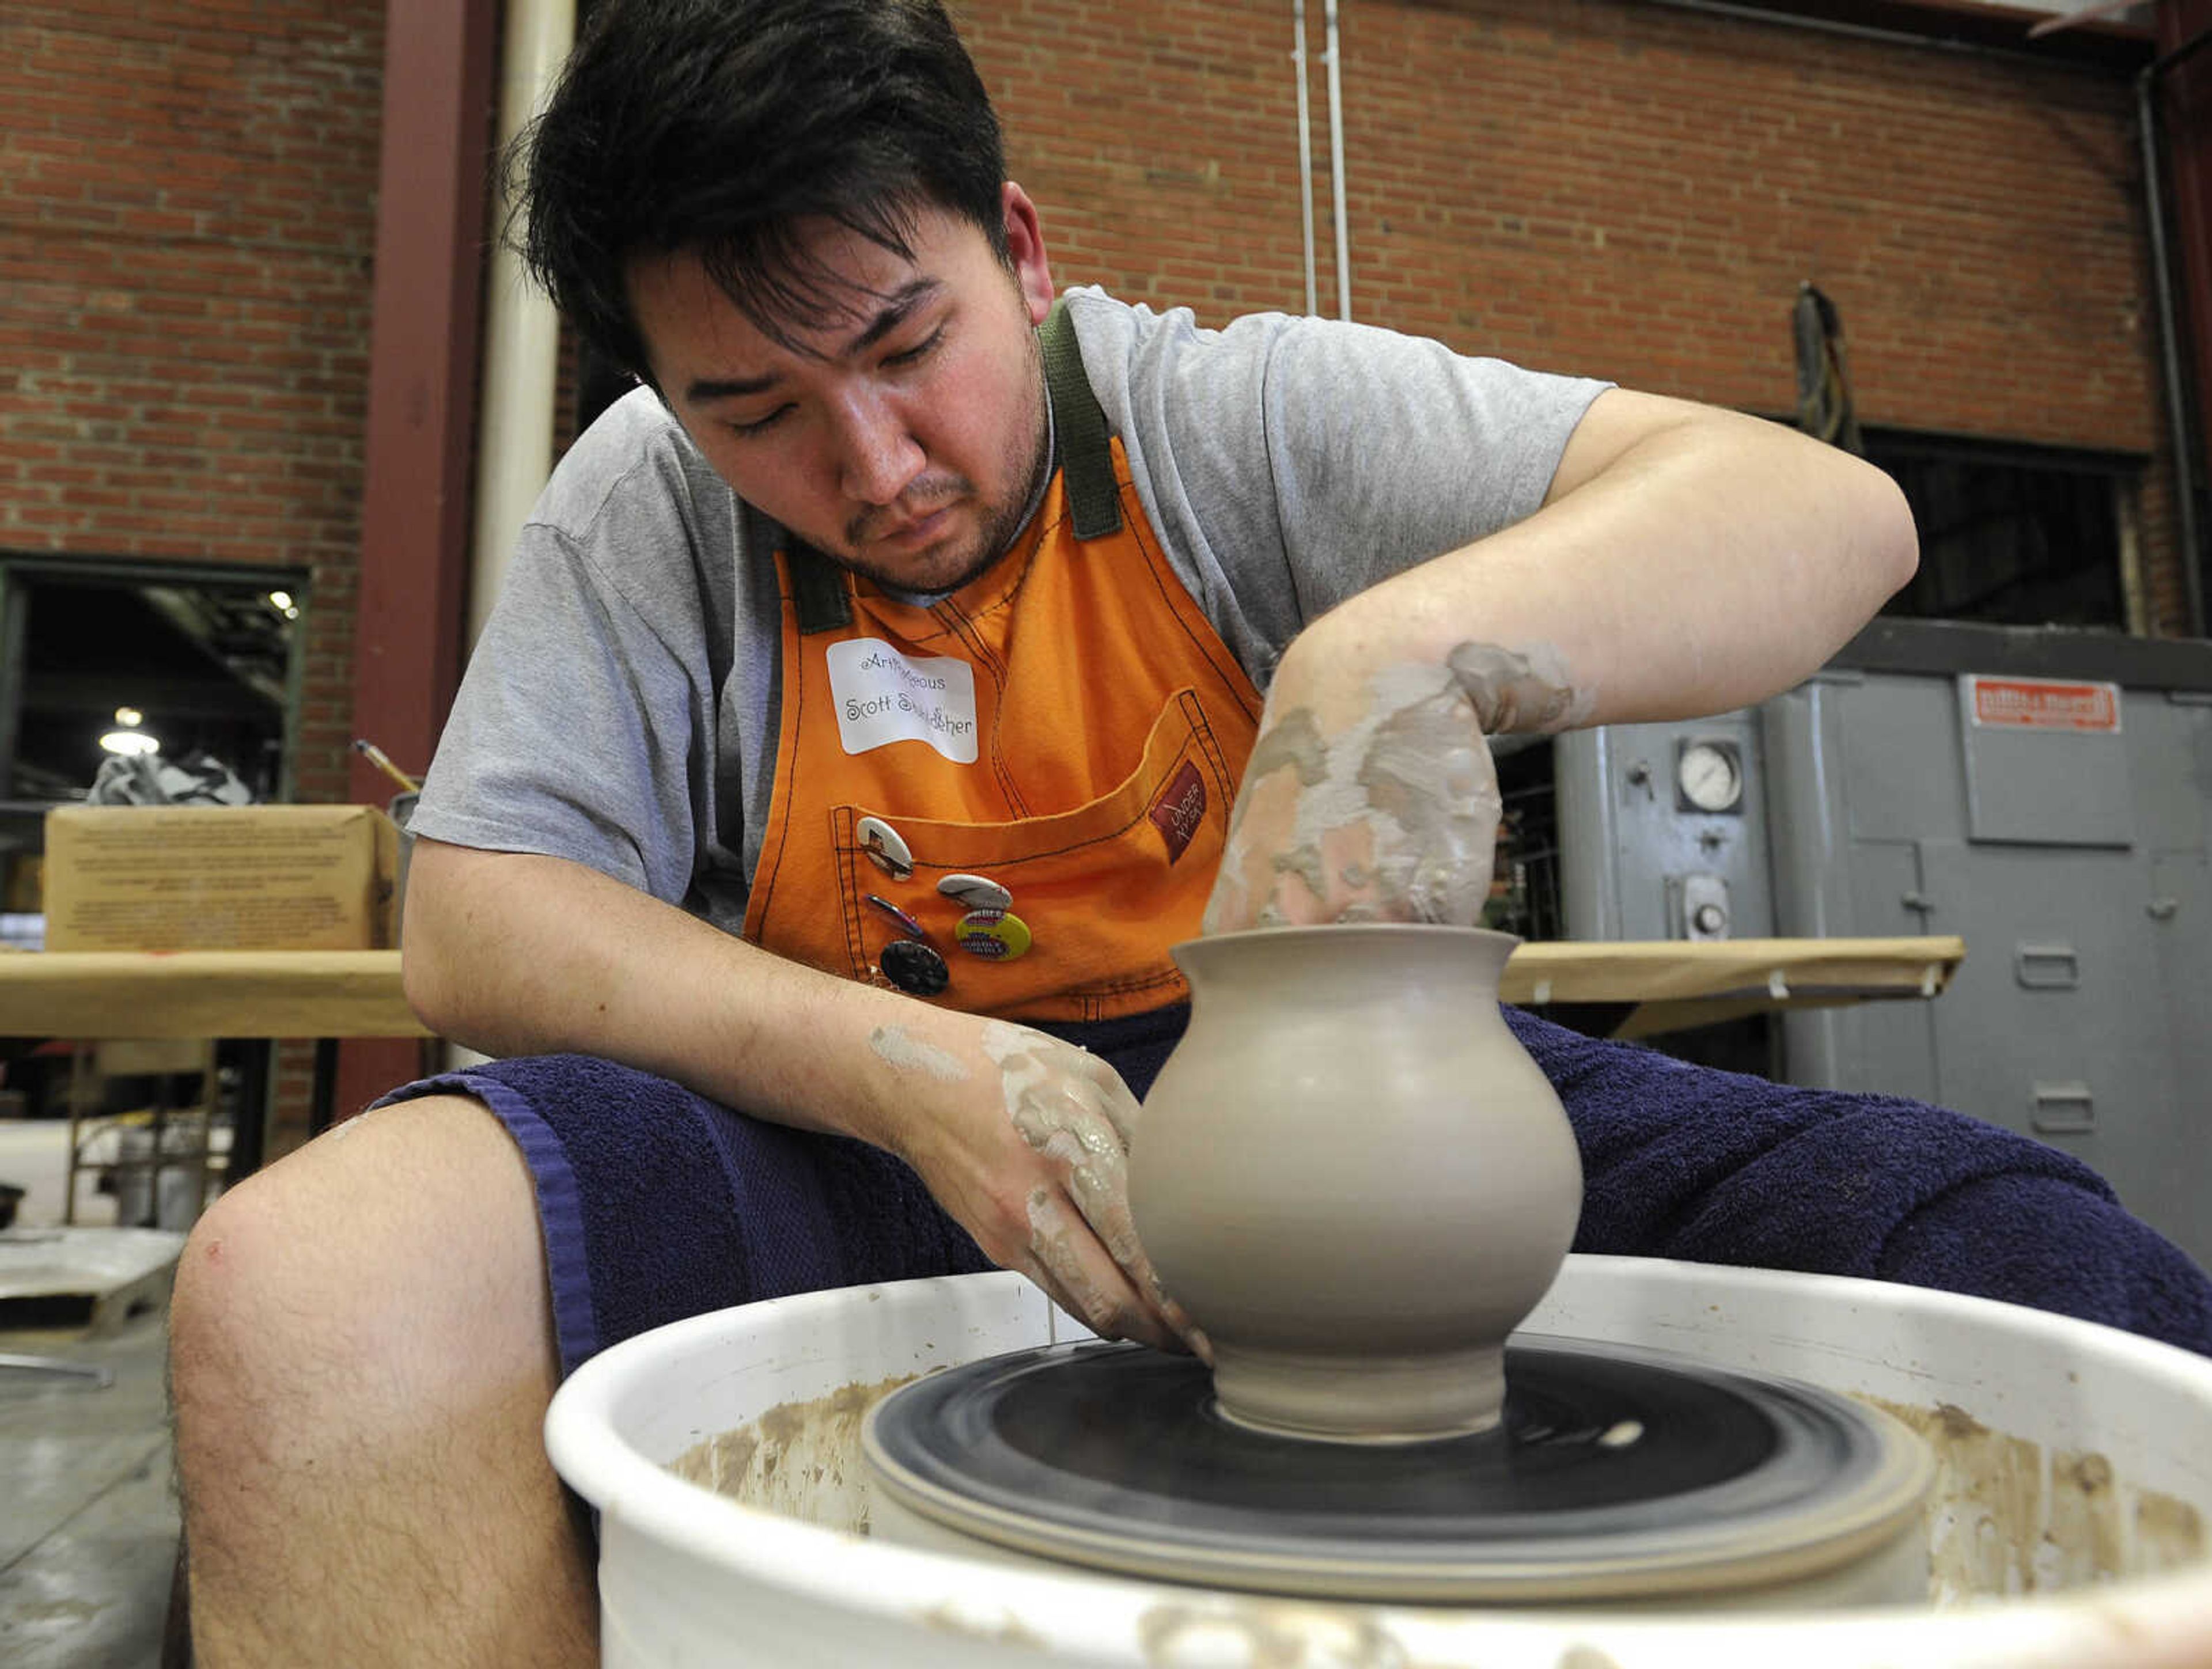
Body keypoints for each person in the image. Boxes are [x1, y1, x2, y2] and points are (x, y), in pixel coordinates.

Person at [165, 1, 2212, 1662]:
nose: (869, 465)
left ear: (1024, 252)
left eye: (905, 348)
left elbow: (1828, 513)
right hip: (868, 1134)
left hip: (1355, 1130)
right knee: (310, 1283)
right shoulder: (649, 503)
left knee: (2033, 1261)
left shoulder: (1228, 420)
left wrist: (1398, 655)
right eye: (757, 409)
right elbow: (476, 917)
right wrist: (905, 1065)